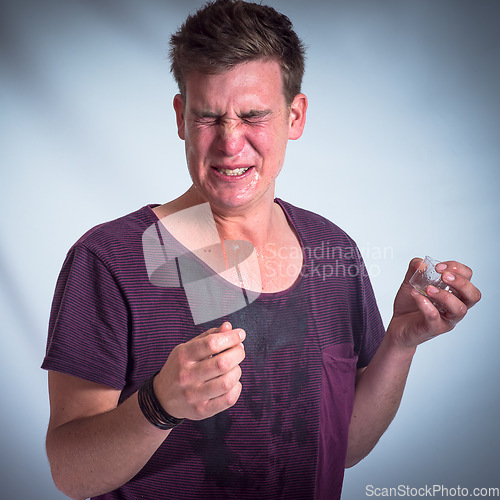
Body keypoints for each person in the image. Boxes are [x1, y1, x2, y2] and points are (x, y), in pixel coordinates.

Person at [42, 1, 481, 499]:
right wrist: (157, 405)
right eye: (209, 117)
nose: (231, 144)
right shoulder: (110, 259)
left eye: (253, 116)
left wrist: (399, 344)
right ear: (181, 117)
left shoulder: (331, 251)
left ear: (295, 116)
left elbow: (343, 446)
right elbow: (71, 474)